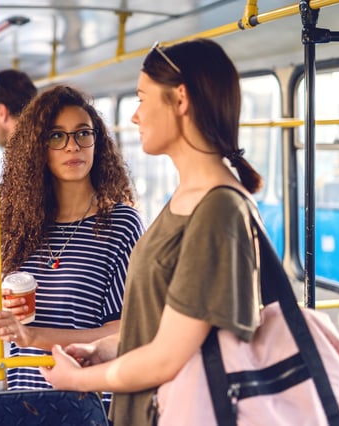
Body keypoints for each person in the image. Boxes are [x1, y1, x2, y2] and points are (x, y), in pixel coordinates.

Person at [38, 39, 264, 425]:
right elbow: (166, 325)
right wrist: (107, 349)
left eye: (142, 98)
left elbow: (168, 357)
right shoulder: (187, 199)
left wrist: (80, 378)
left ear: (180, 100)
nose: (136, 116)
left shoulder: (218, 210)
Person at [0, 85, 145, 412]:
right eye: (57, 136)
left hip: (88, 401)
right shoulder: (17, 226)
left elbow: (126, 329)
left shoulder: (120, 224)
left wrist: (33, 338)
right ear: (37, 149)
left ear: (97, 143)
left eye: (83, 134)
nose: (73, 146)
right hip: (23, 397)